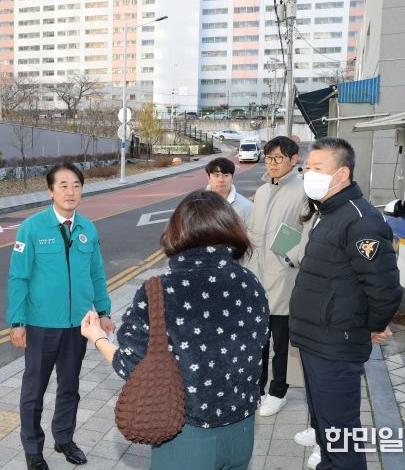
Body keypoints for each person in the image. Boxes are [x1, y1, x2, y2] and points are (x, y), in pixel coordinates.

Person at [81, 191, 269, 470]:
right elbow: (260, 344)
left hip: (186, 437)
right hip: (242, 430)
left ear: (177, 232)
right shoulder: (250, 283)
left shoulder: (159, 292)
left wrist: (98, 338)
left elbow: (131, 365)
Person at [289, 138, 401, 470]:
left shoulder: (360, 219)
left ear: (342, 174)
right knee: (326, 429)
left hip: (337, 344)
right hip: (315, 340)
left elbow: (384, 288)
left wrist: (371, 327)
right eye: (307, 168)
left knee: (340, 434)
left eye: (318, 168)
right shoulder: (328, 212)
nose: (309, 174)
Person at [7, 162, 113, 470]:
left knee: (70, 386)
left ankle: (64, 438)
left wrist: (103, 311)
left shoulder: (87, 228)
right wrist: (17, 322)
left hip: (77, 325)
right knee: (34, 391)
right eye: (63, 185)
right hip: (41, 325)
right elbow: (18, 277)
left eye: (76, 185)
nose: (70, 192)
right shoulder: (32, 228)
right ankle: (33, 450)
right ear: (50, 191)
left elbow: (96, 274)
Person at [245, 135, 310, 417]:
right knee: (258, 340)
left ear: (295, 159)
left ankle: (278, 391)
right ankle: (258, 389)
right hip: (257, 278)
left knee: (281, 342)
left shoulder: (305, 191)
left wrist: (290, 257)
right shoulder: (261, 191)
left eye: (278, 158)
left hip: (284, 278)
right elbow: (252, 230)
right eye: (268, 158)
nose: (272, 164)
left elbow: (309, 232)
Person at [204, 157, 253, 224]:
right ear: (208, 178)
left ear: (232, 178)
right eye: (216, 175)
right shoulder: (198, 204)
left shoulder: (247, 207)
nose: (221, 180)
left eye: (226, 175)